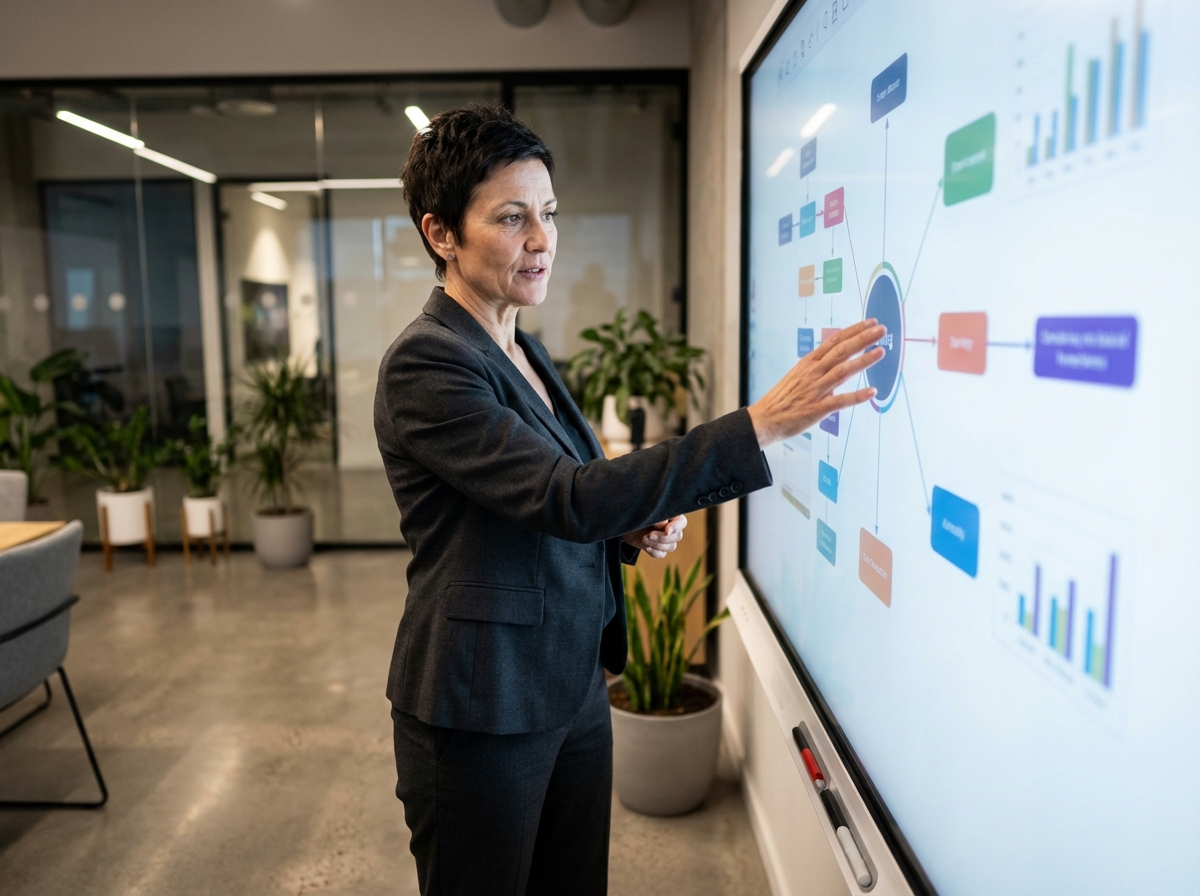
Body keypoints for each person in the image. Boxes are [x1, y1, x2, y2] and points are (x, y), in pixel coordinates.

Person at [374, 104, 884, 896]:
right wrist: (759, 425)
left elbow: (545, 497)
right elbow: (565, 494)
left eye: (547, 213)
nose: (542, 240)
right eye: (512, 219)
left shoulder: (519, 344)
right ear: (442, 232)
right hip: (484, 703)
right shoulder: (427, 364)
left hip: (570, 680)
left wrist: (626, 522)